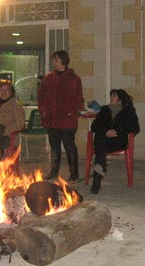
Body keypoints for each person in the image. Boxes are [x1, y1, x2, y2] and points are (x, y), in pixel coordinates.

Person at [38, 50, 83, 183]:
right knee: (54, 146)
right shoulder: (48, 79)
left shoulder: (74, 79)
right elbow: (41, 98)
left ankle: (74, 173)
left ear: (63, 61)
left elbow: (78, 98)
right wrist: (44, 112)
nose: (53, 63)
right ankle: (54, 170)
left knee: (69, 145)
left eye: (56, 60)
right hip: (52, 119)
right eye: (53, 60)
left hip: (68, 120)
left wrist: (71, 112)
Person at [89, 89, 140, 194]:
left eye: (114, 96)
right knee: (100, 137)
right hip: (103, 140)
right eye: (111, 95)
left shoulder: (128, 111)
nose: (111, 98)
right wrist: (106, 131)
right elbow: (94, 126)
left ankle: (99, 169)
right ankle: (97, 179)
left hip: (118, 141)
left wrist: (118, 131)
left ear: (120, 100)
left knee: (100, 145)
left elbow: (135, 128)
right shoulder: (104, 110)